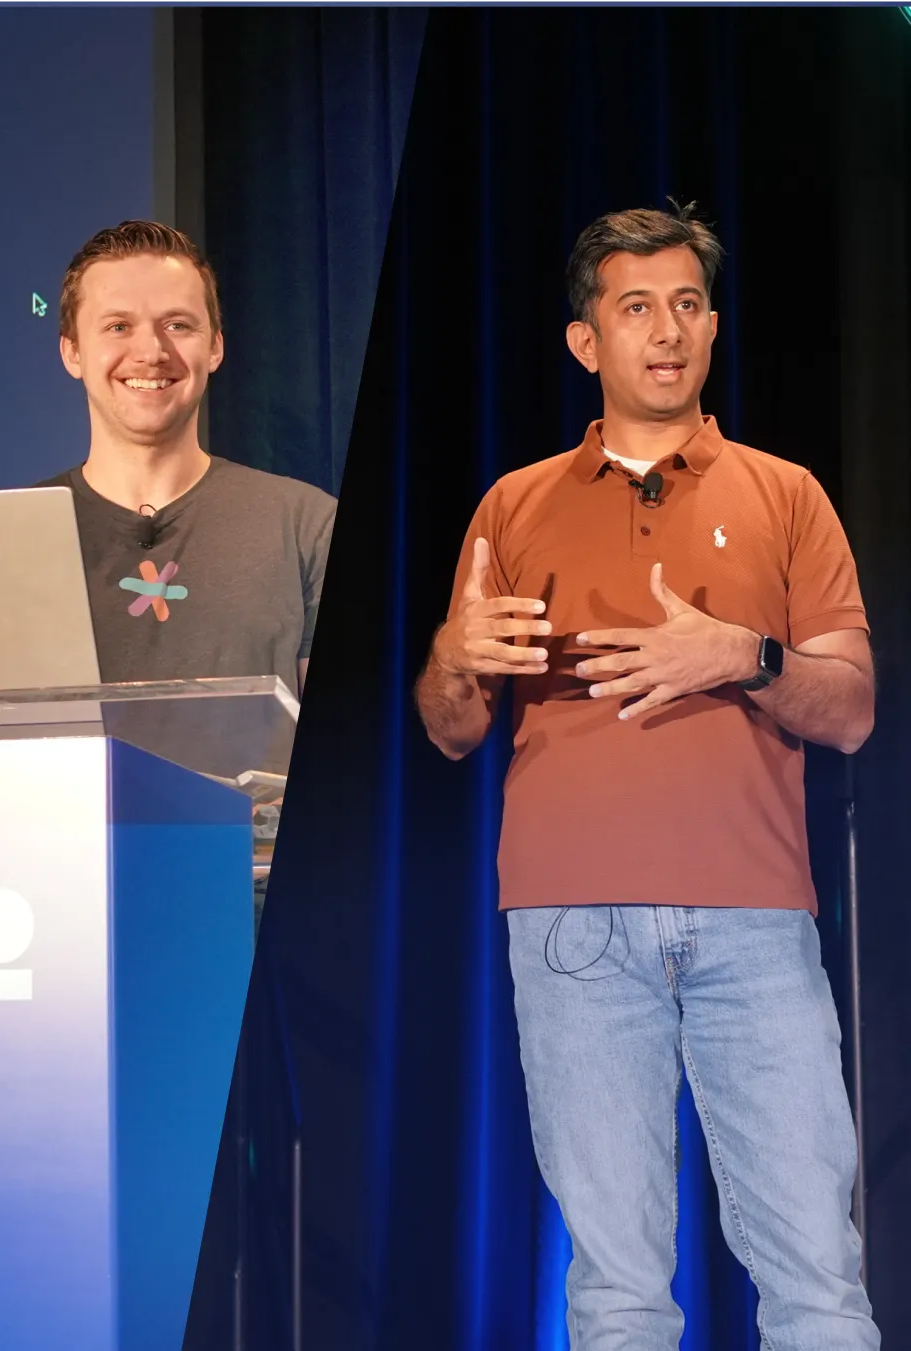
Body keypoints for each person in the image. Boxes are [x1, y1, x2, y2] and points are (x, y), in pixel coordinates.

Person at [415, 203, 877, 1348]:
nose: (666, 331)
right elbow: (451, 730)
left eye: (686, 305)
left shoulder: (787, 493)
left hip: (757, 923)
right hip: (572, 929)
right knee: (616, 1289)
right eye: (636, 308)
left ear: (712, 328)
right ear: (588, 340)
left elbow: (854, 710)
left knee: (818, 1276)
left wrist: (744, 656)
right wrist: (454, 657)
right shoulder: (514, 505)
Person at [40, 220, 334, 698]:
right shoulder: (13, 535)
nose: (151, 352)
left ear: (214, 347)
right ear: (72, 353)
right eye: (118, 327)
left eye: (177, 325)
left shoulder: (308, 526)